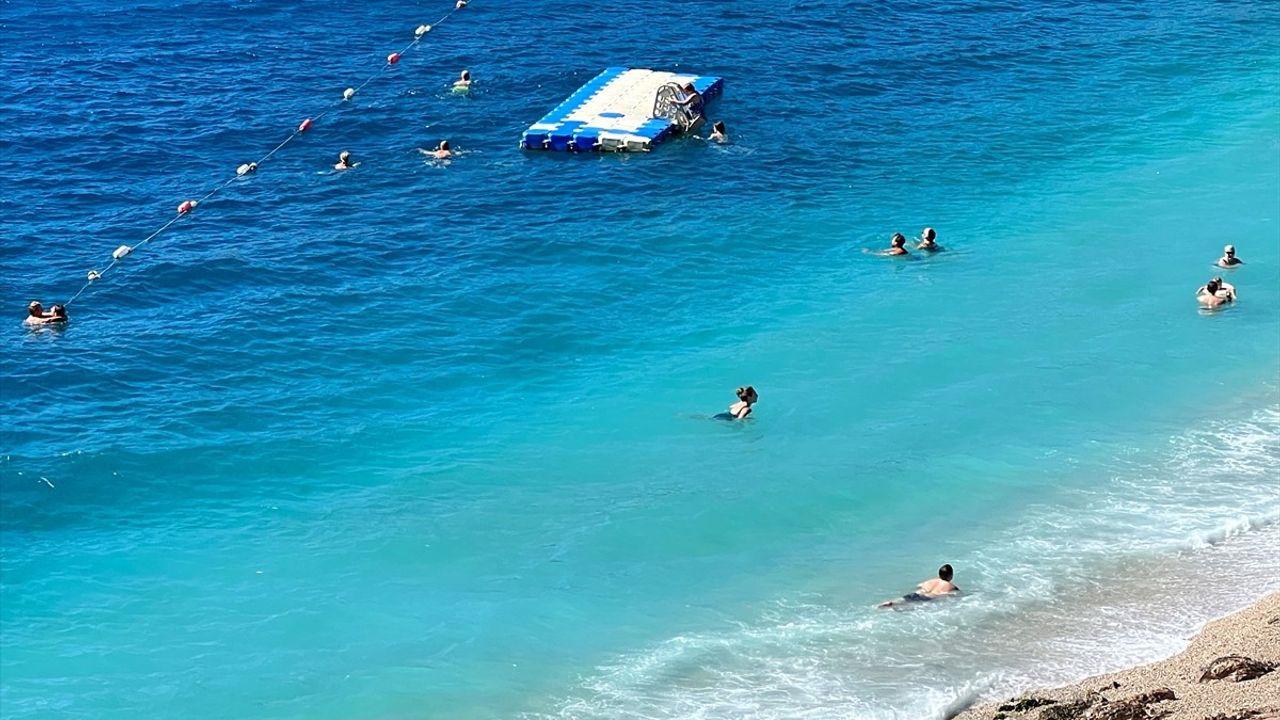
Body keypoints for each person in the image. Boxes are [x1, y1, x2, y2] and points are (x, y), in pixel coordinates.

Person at [879, 564, 960, 608]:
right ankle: (894, 605)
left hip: (917, 593)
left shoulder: (930, 581)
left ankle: (892, 602)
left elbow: (919, 585)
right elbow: (957, 594)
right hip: (928, 598)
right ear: (951, 576)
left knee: (903, 600)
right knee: (909, 606)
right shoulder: (950, 586)